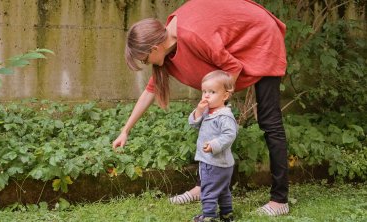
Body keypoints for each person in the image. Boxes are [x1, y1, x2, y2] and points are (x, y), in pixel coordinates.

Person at [113, 0, 289, 216]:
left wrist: (219, 103)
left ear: (155, 48)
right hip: (233, 42)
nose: (147, 64)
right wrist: (125, 130)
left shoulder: (193, 36)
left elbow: (233, 67)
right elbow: (150, 91)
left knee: (269, 121)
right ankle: (204, 187)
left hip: (261, 35)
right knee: (211, 120)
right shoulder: (168, 46)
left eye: (145, 59)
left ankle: (280, 200)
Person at [189, 70, 238, 222]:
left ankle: (209, 216)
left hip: (213, 162)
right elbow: (193, 124)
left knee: (208, 190)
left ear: (225, 96)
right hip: (221, 164)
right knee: (223, 190)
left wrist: (214, 145)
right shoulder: (208, 112)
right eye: (204, 91)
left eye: (212, 92)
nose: (206, 95)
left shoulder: (224, 116)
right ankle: (227, 214)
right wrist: (198, 111)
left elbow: (229, 134)